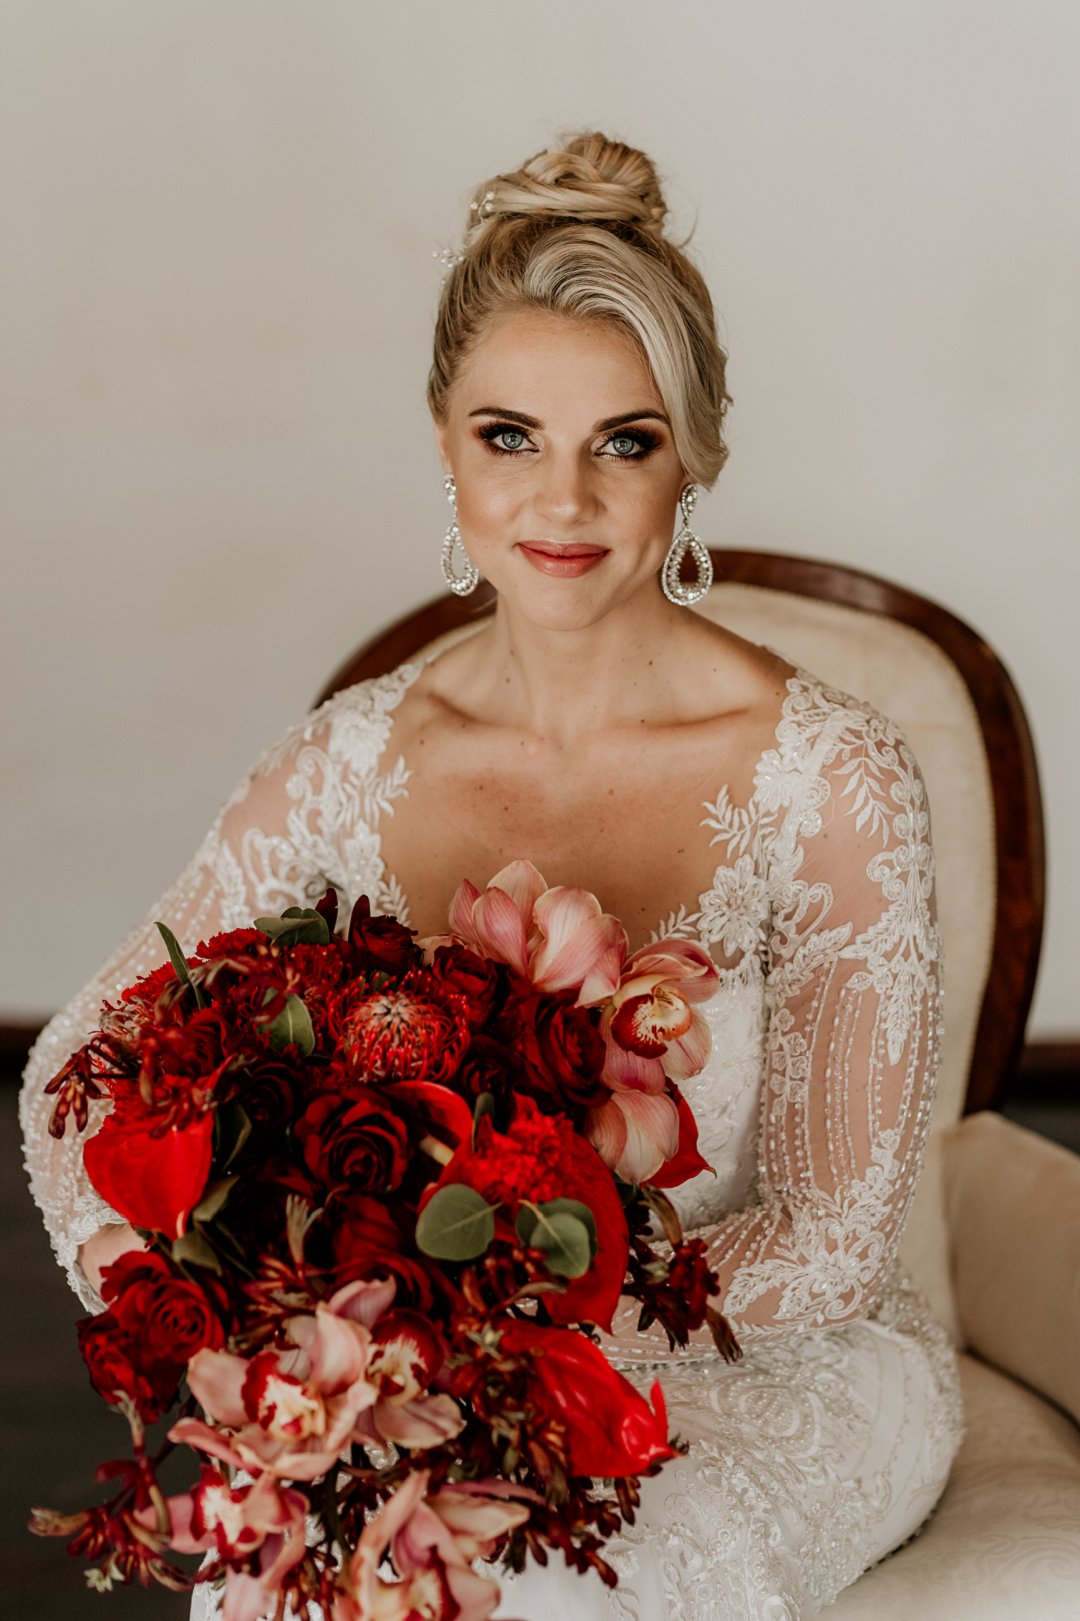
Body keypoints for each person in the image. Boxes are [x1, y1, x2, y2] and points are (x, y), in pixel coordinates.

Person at [21, 131, 963, 1620]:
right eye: (510, 436)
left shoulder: (831, 777)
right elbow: (77, 1062)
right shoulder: (350, 763)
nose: (562, 500)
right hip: (431, 1382)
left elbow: (834, 1244)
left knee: (532, 1585)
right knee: (309, 1568)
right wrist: (200, 1300)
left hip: (777, 1368)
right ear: (445, 445)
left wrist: (476, 1329)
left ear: (697, 455)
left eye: (624, 442)